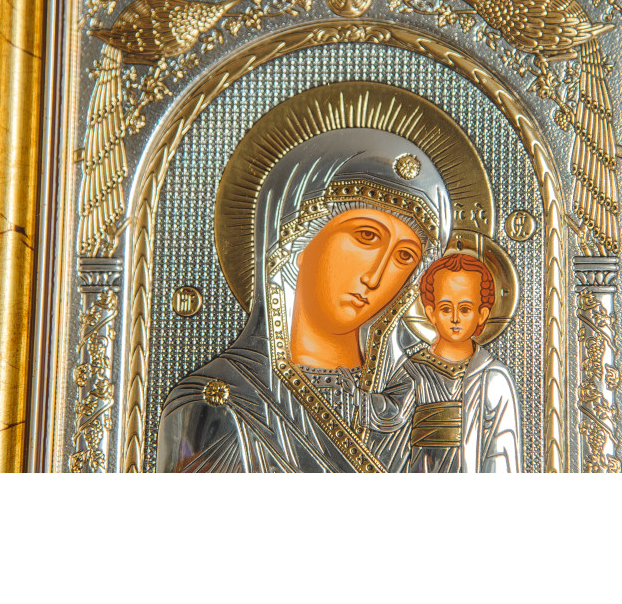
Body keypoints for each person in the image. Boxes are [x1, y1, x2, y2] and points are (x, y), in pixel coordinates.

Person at [156, 128, 452, 472]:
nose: (375, 277)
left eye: (404, 256)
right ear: (297, 240)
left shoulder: (420, 401)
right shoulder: (220, 399)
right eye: (366, 236)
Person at [355, 252, 522, 473]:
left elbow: (502, 448)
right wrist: (354, 397)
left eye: (465, 309)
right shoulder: (414, 370)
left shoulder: (492, 376)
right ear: (430, 313)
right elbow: (391, 415)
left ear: (482, 314)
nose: (455, 318)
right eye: (445, 308)